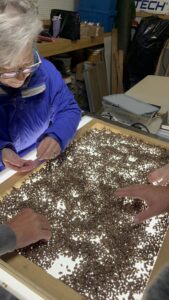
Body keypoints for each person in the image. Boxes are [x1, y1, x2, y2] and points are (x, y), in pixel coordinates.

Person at [0, 0, 81, 173]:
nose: (21, 77)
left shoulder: (45, 72)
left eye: (27, 64)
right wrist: (2, 151)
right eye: (9, 71)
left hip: (35, 161)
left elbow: (69, 109)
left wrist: (57, 135)